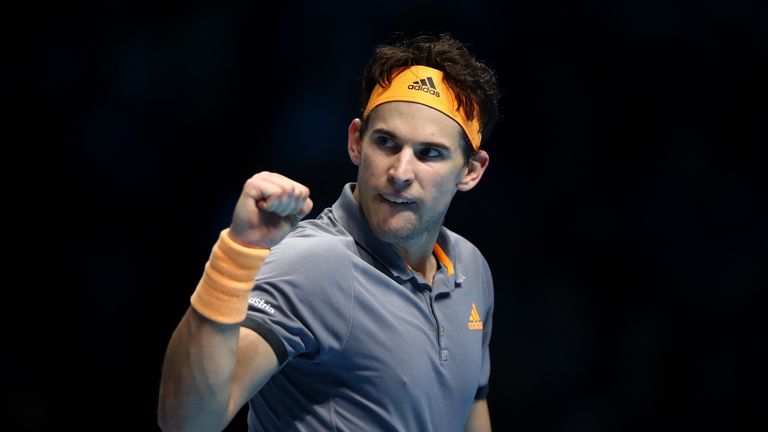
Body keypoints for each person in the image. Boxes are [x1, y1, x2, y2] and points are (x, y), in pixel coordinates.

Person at [158, 32, 501, 431]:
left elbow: (470, 410)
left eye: (429, 153)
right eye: (386, 143)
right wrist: (237, 254)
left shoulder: (471, 269)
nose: (400, 173)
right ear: (357, 142)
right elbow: (187, 422)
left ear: (471, 170)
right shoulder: (313, 264)